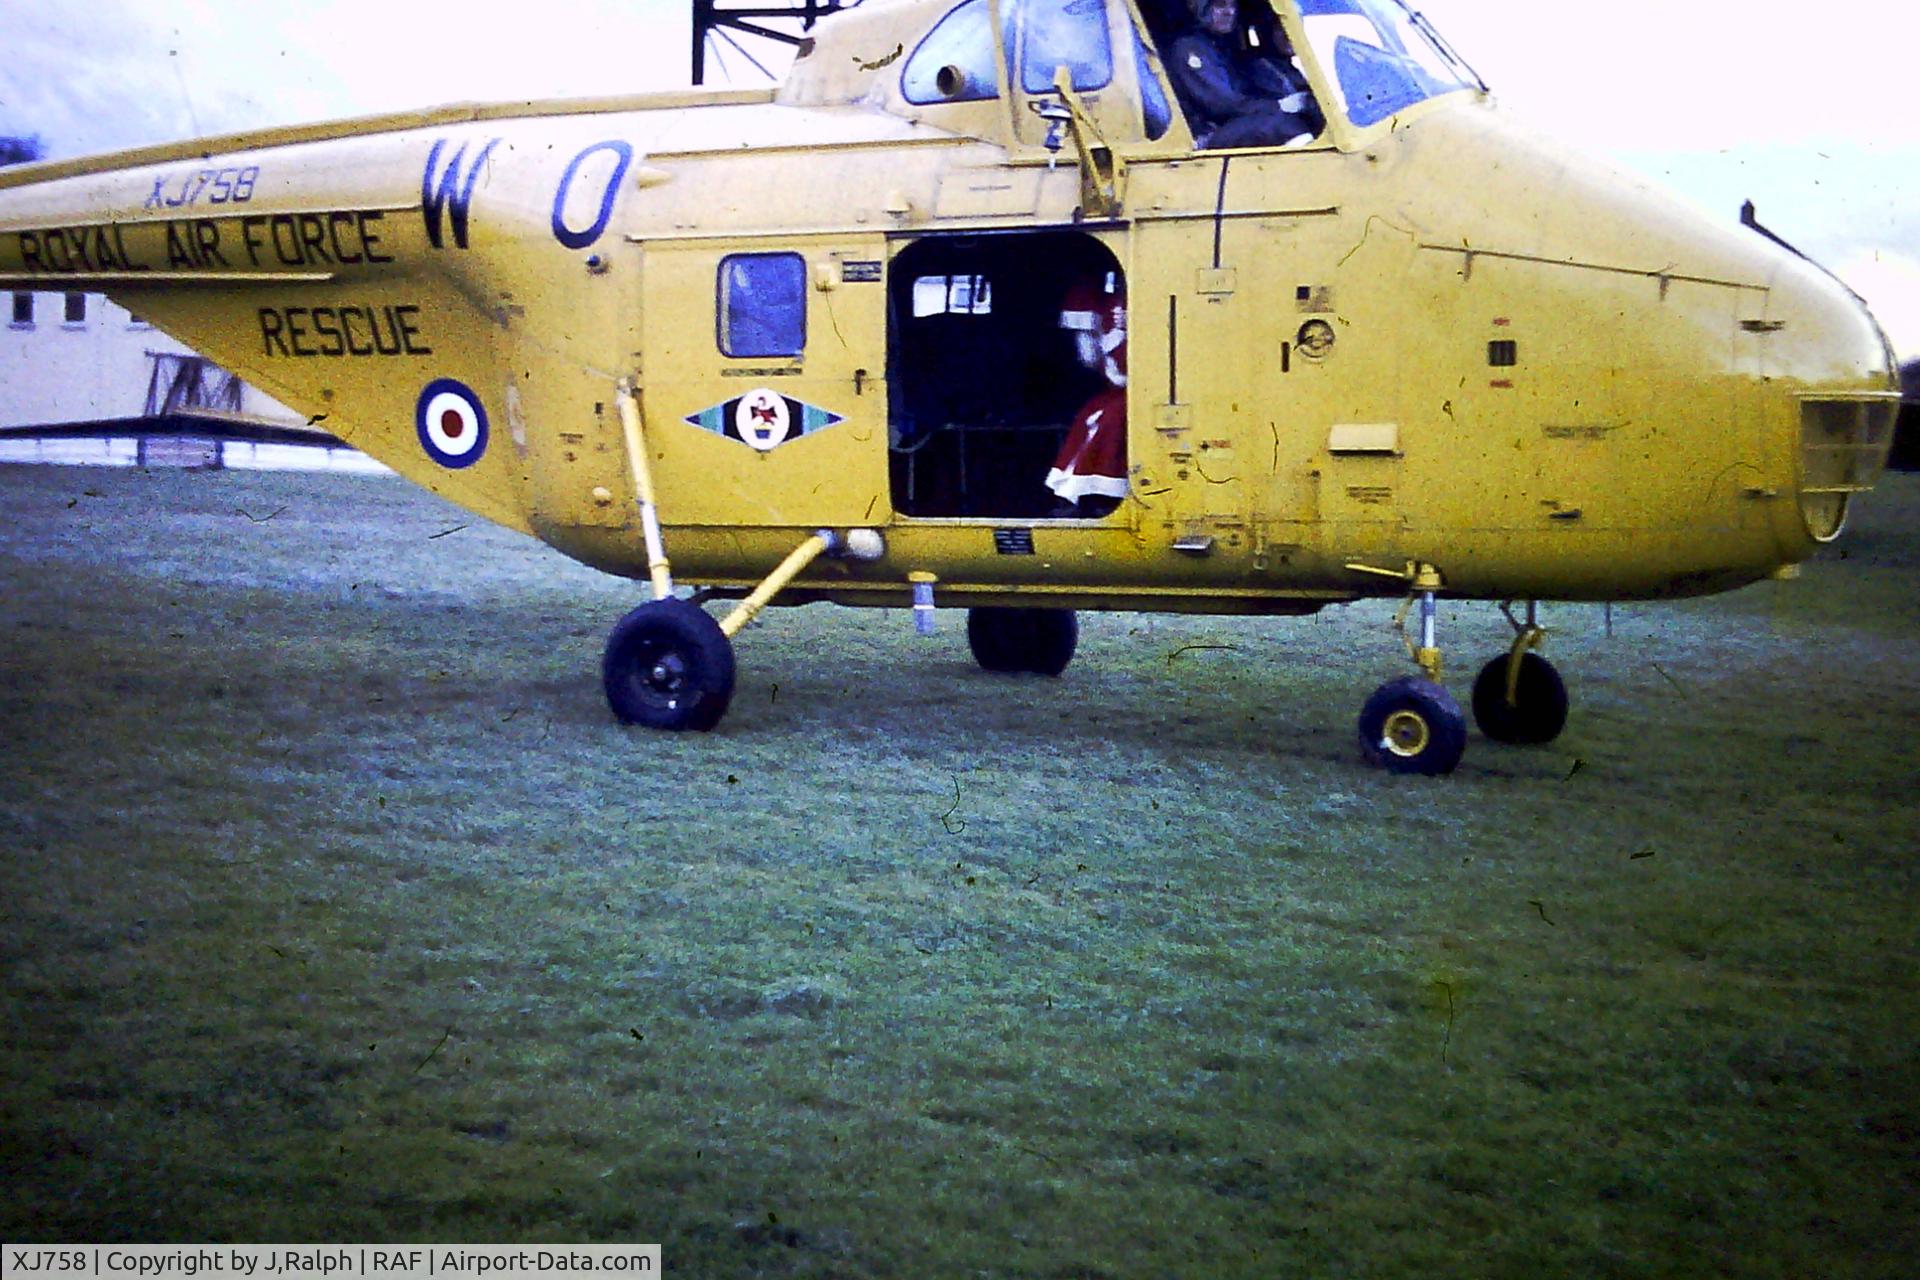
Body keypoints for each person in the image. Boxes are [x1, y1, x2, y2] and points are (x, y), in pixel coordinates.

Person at [1168, 0, 1323, 150]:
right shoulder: (1190, 49)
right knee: (1285, 127)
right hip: (1207, 134)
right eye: (1221, 5)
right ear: (1202, 8)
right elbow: (1220, 103)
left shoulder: (1222, 48)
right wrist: (1278, 106)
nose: (1230, 12)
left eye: (1233, 5)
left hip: (1232, 126)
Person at [1047, 276, 1128, 517]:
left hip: (1131, 394)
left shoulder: (1117, 320)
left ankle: (1102, 492)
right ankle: (1084, 492)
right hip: (1116, 394)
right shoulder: (1107, 326)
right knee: (1089, 418)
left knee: (1109, 421)